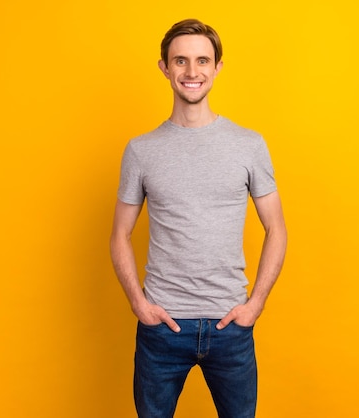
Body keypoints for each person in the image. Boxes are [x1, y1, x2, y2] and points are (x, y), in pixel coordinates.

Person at [110, 18, 287, 418]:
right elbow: (119, 234)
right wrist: (139, 303)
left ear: (217, 67)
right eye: (181, 61)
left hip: (231, 328)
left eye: (202, 60)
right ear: (165, 68)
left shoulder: (248, 144)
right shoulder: (141, 151)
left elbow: (276, 227)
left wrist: (255, 303)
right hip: (162, 328)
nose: (192, 72)